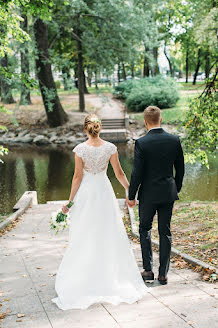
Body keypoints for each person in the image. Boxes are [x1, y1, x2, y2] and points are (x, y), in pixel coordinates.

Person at [52, 114, 147, 310]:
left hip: (87, 194)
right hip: (104, 192)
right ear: (99, 128)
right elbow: (119, 173)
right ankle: (109, 277)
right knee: (108, 232)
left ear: (85, 129)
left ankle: (86, 278)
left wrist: (69, 203)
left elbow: (77, 177)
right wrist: (130, 191)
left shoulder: (80, 149)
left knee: (84, 234)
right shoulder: (110, 148)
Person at [127, 106, 185, 285]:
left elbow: (137, 173)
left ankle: (148, 270)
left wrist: (131, 195)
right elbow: (181, 169)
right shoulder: (174, 140)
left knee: (145, 229)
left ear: (145, 122)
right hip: (167, 192)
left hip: (148, 195)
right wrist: (176, 188)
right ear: (160, 119)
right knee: (165, 231)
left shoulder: (142, 143)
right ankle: (163, 274)